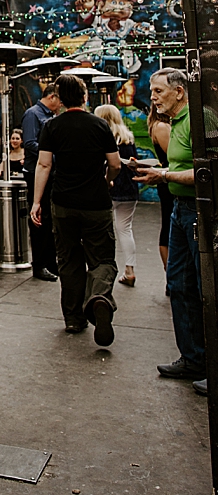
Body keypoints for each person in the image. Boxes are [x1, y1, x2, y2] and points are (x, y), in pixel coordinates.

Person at [31, 74, 120, 346]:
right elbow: (115, 164)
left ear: (60, 98)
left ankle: (73, 318)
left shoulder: (52, 126)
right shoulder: (100, 125)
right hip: (96, 203)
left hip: (63, 203)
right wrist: (106, 180)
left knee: (68, 260)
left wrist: (37, 202)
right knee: (102, 257)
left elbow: (44, 165)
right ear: (84, 96)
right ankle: (99, 298)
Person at [149, 67, 207, 390]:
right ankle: (193, 358)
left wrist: (165, 175)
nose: (153, 97)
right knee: (179, 284)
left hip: (200, 212)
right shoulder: (173, 124)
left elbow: (204, 171)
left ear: (179, 91)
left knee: (205, 289)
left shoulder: (200, 121)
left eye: (158, 91)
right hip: (180, 212)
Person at [18, 77, 61, 281]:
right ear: (51, 96)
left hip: (49, 171)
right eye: (59, 99)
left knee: (50, 218)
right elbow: (30, 143)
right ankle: (40, 264)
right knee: (40, 219)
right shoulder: (32, 114)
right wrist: (52, 153)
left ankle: (51, 262)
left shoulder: (51, 115)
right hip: (36, 172)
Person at [98, 104, 141, 287]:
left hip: (107, 187)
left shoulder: (100, 138)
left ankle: (102, 270)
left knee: (101, 230)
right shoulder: (128, 138)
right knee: (125, 229)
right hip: (129, 188)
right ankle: (129, 270)